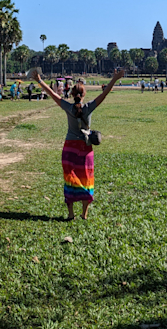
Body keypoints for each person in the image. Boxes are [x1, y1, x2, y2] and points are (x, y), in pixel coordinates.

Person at [33, 68, 125, 221]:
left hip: (69, 148)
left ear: (71, 94)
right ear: (83, 95)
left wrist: (40, 80)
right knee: (86, 179)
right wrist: (114, 78)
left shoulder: (68, 107)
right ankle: (84, 214)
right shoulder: (88, 108)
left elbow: (53, 94)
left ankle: (70, 214)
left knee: (70, 179)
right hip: (85, 149)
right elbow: (105, 94)